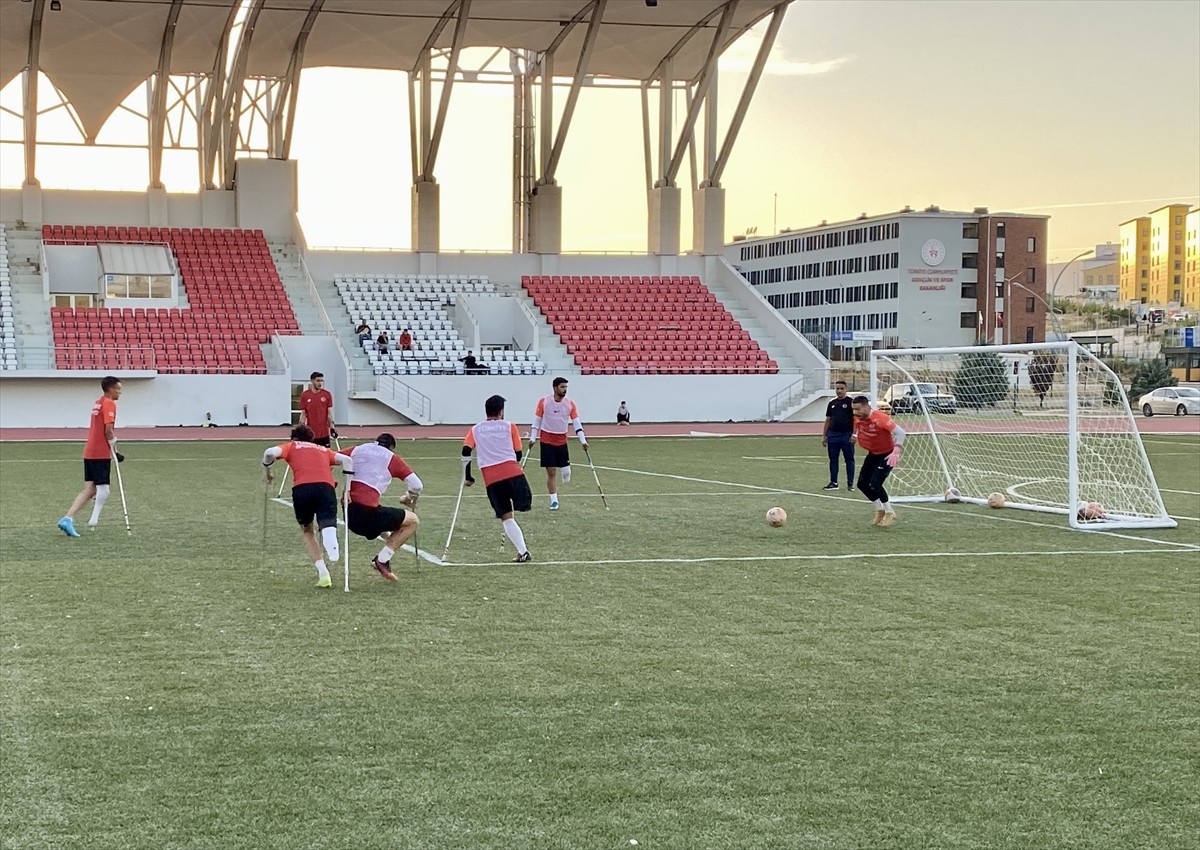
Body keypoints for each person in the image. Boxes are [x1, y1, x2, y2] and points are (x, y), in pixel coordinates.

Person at [262, 425, 354, 588]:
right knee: (327, 522)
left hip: (302, 489)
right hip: (326, 488)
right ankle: (330, 538)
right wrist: (347, 490)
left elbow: (270, 452)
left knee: (307, 530)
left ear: (294, 438)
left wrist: (267, 469)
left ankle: (323, 572)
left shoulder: (291, 446)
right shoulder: (322, 449)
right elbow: (347, 461)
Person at [339, 433, 422, 582]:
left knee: (383, 518)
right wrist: (408, 498)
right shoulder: (391, 457)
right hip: (367, 515)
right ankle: (382, 560)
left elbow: (330, 458)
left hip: (349, 514)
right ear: (391, 447)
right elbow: (417, 485)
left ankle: (386, 546)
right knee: (413, 521)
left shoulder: (358, 449)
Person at [462, 394, 532, 562]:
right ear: (501, 411)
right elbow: (518, 453)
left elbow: (466, 451)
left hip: (491, 479)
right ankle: (522, 550)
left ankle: (523, 552)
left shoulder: (475, 429)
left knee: (506, 517)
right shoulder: (510, 426)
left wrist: (468, 476)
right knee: (523, 505)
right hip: (513, 474)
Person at [58, 375, 124, 537]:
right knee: (104, 490)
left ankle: (67, 518)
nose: (120, 393)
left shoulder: (98, 402)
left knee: (91, 489)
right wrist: (112, 442)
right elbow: (108, 430)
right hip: (99, 452)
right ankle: (93, 520)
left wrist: (114, 451)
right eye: (118, 389)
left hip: (90, 451)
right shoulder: (109, 404)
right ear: (110, 389)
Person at [529, 376, 587, 510]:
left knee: (566, 474)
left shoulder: (570, 404)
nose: (565, 390)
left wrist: (583, 440)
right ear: (555, 388)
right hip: (546, 440)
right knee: (551, 472)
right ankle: (554, 500)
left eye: (566, 387)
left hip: (561, 441)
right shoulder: (544, 402)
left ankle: (566, 469)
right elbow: (537, 421)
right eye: (562, 387)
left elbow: (576, 423)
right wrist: (533, 437)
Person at [849, 395, 906, 528]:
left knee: (875, 483)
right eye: (854, 410)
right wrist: (855, 435)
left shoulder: (881, 418)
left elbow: (901, 433)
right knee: (862, 484)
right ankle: (880, 509)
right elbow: (857, 427)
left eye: (858, 409)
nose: (855, 413)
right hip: (873, 454)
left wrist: (896, 450)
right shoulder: (857, 418)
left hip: (887, 455)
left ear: (867, 406)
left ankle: (889, 512)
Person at [821, 380, 855, 491]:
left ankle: (850, 484)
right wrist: (824, 436)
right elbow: (828, 420)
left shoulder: (851, 402)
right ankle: (834, 482)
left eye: (841, 388)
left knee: (849, 460)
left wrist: (854, 434)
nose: (839, 391)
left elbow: (856, 420)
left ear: (846, 389)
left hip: (846, 435)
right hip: (833, 435)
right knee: (833, 459)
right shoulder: (832, 403)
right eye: (837, 388)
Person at [298, 371, 336, 447]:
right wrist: (300, 428)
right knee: (311, 456)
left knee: (325, 455)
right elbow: (303, 414)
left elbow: (329, 413)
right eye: (318, 381)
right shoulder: (305, 395)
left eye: (321, 381)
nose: (320, 383)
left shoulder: (327, 394)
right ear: (312, 381)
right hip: (311, 433)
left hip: (324, 433)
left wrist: (332, 428)